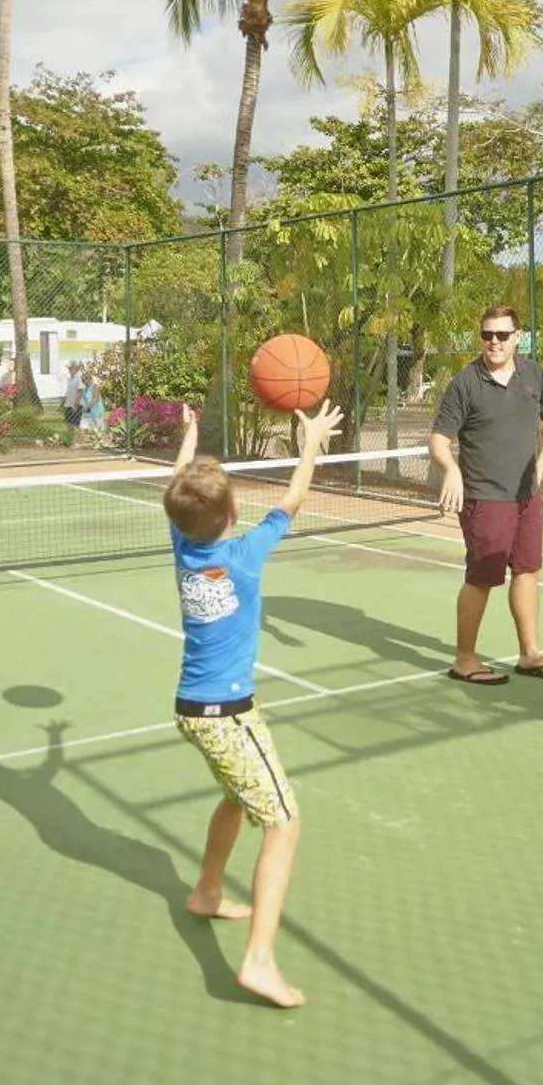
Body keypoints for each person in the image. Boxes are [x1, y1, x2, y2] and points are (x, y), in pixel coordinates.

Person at [162, 397, 344, 1007]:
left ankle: (207, 891)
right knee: (285, 824)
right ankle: (259, 962)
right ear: (232, 511)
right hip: (228, 715)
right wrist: (311, 442)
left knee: (235, 797)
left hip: (193, 709)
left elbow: (176, 485)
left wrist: (189, 436)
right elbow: (291, 500)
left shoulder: (184, 545)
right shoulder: (242, 558)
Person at [429, 305, 543, 685]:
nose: (494, 342)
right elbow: (439, 439)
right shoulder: (466, 382)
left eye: (502, 335)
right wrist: (451, 470)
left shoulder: (533, 375)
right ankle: (464, 660)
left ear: (517, 337)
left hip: (527, 496)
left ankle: (529, 654)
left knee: (527, 570)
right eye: (487, 335)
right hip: (484, 497)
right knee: (482, 578)